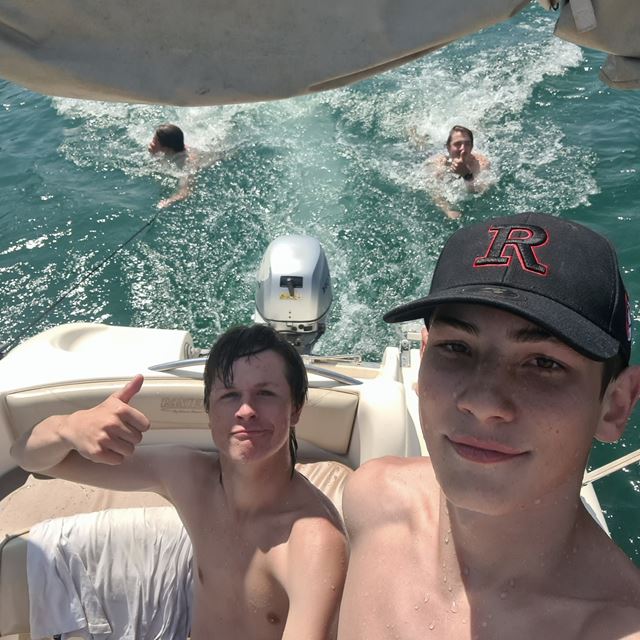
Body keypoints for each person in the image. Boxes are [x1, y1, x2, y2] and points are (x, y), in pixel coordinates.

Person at [338, 212, 640, 640]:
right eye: (456, 347)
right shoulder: (371, 501)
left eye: (543, 363)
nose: (482, 403)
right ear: (422, 361)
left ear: (616, 405)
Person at [11, 324, 348, 640]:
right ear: (209, 412)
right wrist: (69, 428)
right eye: (230, 395)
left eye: (265, 393)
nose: (246, 410)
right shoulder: (189, 477)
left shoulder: (313, 542)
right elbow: (28, 456)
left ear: (296, 409)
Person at [431, 125, 491, 219]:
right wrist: (448, 210)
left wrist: (466, 175)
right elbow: (435, 191)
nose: (463, 148)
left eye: (467, 144)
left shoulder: (481, 163)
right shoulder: (440, 164)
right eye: (457, 144)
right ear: (448, 147)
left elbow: (480, 191)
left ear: (472, 147)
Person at [148, 123, 196, 209]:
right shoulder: (176, 146)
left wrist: (169, 201)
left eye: (154, 140)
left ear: (165, 147)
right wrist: (153, 154)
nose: (151, 142)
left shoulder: (183, 164)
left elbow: (185, 192)